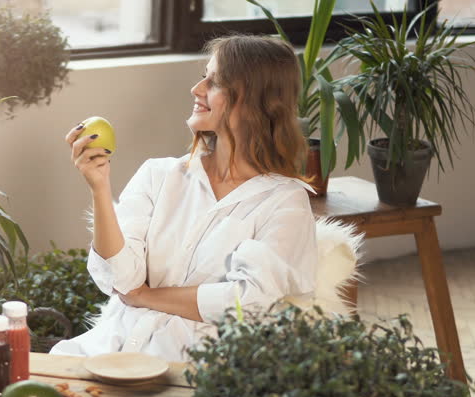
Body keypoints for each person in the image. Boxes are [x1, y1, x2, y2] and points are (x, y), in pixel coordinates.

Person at [50, 35, 317, 362]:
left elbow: (247, 302)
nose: (197, 89)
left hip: (190, 365)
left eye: (214, 81)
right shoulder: (158, 175)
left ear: (253, 100)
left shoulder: (284, 202)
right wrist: (100, 188)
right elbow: (120, 280)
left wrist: (146, 296)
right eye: (202, 76)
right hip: (110, 345)